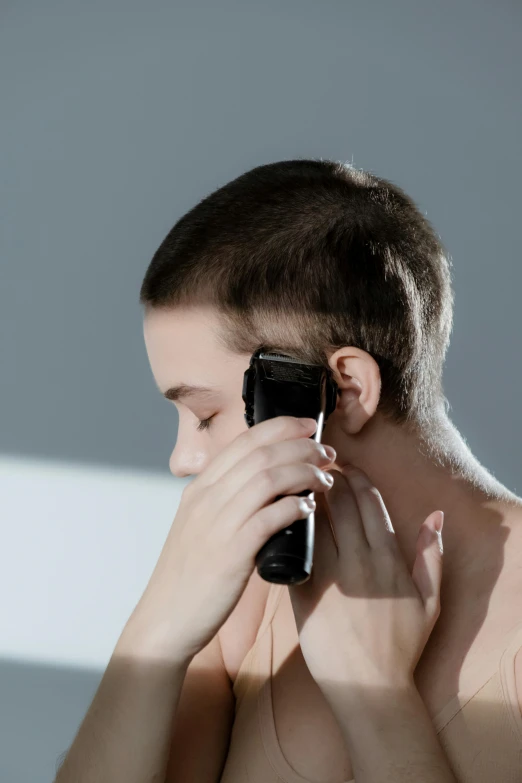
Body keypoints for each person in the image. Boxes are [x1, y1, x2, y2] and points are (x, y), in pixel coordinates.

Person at [55, 160, 522, 783]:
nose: (182, 460)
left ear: (345, 389)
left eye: (205, 413)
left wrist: (376, 698)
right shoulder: (251, 592)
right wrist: (155, 632)